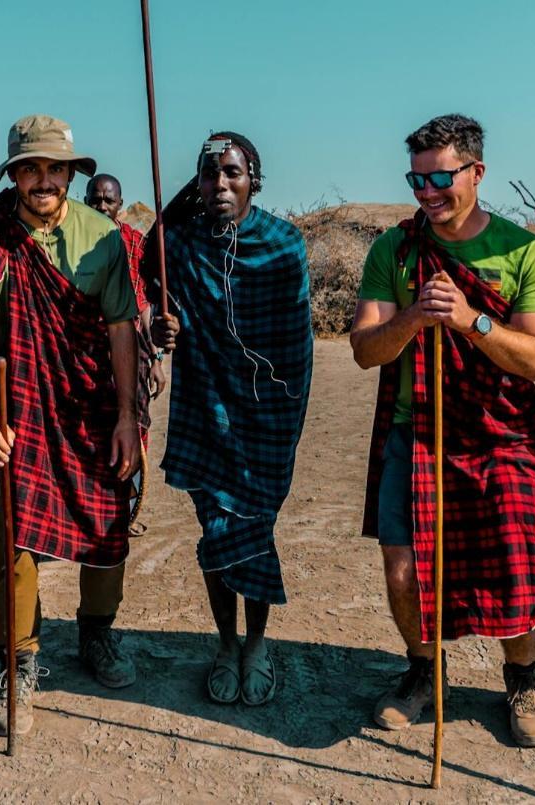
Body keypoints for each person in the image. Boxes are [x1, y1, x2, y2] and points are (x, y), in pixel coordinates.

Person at [350, 114, 535, 747]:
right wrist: (415, 315)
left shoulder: (525, 252)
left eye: (441, 177)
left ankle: (523, 680)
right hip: (414, 430)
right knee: (402, 572)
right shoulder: (395, 250)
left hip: (497, 435)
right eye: (417, 179)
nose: (427, 191)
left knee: (512, 566)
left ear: (476, 172)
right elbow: (364, 350)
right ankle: (422, 672)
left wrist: (472, 320)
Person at [0, 115, 147, 737]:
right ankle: (19, 661)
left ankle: (97, 634)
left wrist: (128, 417)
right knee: (13, 538)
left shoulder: (103, 236)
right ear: (13, 174)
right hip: (12, 409)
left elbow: (120, 331)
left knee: (107, 525)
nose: (43, 180)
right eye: (30, 168)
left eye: (54, 169)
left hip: (89, 408)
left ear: (70, 173)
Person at [146, 132, 312, 706]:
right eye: (209, 174)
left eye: (232, 173)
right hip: (205, 409)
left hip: (269, 418)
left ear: (254, 180)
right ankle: (225, 643)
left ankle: (258, 645)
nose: (220, 184)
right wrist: (163, 326)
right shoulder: (184, 243)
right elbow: (152, 264)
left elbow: (296, 346)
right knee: (216, 529)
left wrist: (282, 416)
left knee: (253, 530)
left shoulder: (283, 244)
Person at [86, 172, 167, 399]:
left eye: (109, 201)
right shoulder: (68, 242)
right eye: (95, 200)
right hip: (82, 352)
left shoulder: (135, 242)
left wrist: (156, 359)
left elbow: (143, 304)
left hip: (130, 349)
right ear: (85, 202)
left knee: (132, 425)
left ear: (119, 204)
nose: (102, 207)